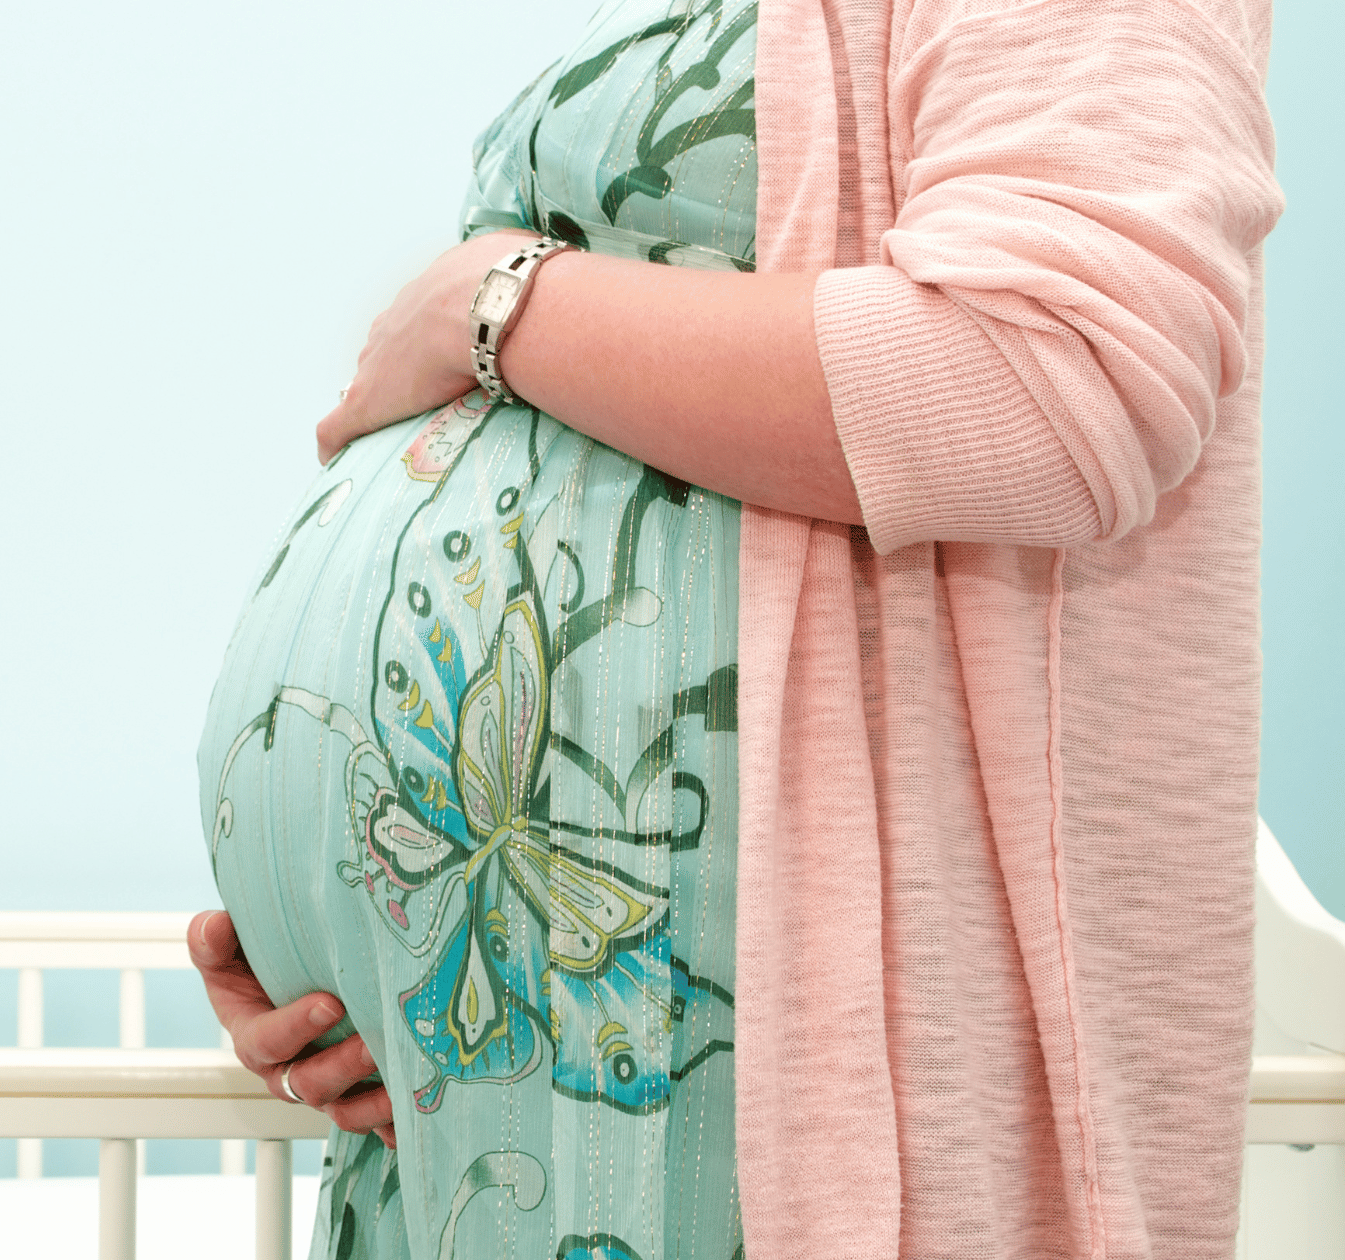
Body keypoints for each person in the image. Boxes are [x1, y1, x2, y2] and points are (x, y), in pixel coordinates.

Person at [190, 0, 1284, 1255]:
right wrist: (355, 937)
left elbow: (1044, 378)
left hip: (741, 1123)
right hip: (469, 1098)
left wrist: (482, 307)